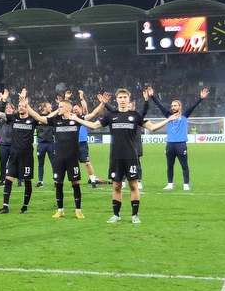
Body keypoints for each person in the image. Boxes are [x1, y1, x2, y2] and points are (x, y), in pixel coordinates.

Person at [71, 88, 177, 224]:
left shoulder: (135, 115)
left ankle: (134, 215)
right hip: (115, 156)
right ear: (116, 100)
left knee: (133, 185)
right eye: (120, 97)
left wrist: (168, 120)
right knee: (116, 186)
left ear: (128, 99)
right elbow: (93, 125)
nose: (122, 100)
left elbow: (153, 127)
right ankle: (116, 215)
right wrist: (76, 119)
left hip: (131, 156)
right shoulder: (111, 116)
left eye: (124, 97)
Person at [147, 86, 210, 190]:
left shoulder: (185, 115)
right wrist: (152, 96)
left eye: (175, 105)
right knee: (170, 165)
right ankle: (170, 184)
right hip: (170, 144)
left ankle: (186, 184)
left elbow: (193, 106)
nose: (173, 107)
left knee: (184, 165)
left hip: (181, 144)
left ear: (180, 107)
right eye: (172, 106)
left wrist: (201, 98)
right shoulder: (168, 116)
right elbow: (160, 106)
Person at [48, 98, 86, 218]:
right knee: (58, 183)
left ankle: (78, 210)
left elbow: (92, 115)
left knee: (75, 183)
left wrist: (102, 104)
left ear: (68, 109)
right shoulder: (55, 121)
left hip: (72, 158)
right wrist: (57, 111)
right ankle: (60, 210)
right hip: (58, 158)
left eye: (60, 107)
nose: (58, 108)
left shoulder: (76, 120)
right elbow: (43, 118)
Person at [73, 90, 99, 188]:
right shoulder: (71, 119)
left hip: (82, 143)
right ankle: (75, 180)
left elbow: (85, 108)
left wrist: (81, 97)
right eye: (73, 110)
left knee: (87, 163)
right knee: (73, 164)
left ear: (80, 109)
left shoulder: (83, 118)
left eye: (76, 109)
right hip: (73, 144)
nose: (75, 111)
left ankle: (93, 180)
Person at [35, 100, 56, 188]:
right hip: (41, 143)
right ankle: (40, 181)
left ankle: (56, 180)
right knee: (40, 163)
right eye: (49, 106)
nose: (51, 107)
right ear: (44, 108)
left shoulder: (52, 118)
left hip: (51, 143)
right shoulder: (38, 118)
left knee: (54, 163)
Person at [0, 102, 15, 187]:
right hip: (3, 144)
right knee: (3, 163)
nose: (8, 109)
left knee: (14, 163)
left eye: (10, 108)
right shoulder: (1, 119)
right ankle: (3, 179)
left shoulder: (15, 119)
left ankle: (19, 180)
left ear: (13, 110)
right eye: (6, 108)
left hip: (13, 144)